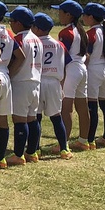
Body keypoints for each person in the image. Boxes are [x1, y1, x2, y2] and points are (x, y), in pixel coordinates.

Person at [0, 0, 25, 168]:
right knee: (3, 119)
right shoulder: (8, 33)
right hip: (5, 75)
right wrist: (10, 73)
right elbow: (21, 56)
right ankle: (1, 158)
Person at [31, 13, 73, 159]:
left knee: (36, 117)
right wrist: (61, 85)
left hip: (38, 81)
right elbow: (67, 63)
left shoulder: (34, 42)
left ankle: (35, 149)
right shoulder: (59, 44)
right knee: (56, 117)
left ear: (38, 28)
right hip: (54, 82)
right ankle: (64, 148)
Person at [5, 7, 43, 166]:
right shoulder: (37, 39)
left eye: (11, 21)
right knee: (32, 119)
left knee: (19, 120)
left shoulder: (19, 39)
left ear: (18, 23)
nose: (10, 24)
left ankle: (19, 155)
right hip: (35, 81)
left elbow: (16, 60)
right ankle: (32, 152)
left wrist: (9, 74)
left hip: (21, 81)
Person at [52, 0, 90, 151]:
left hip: (72, 69)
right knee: (82, 105)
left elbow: (63, 56)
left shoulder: (66, 32)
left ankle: (64, 143)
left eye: (60, 12)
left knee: (66, 107)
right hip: (82, 68)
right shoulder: (81, 31)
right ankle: (83, 140)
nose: (58, 14)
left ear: (68, 15)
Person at [82, 3, 105, 148]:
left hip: (94, 70)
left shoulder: (91, 33)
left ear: (91, 17)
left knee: (91, 105)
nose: (83, 18)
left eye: (84, 15)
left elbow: (88, 55)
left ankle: (90, 139)